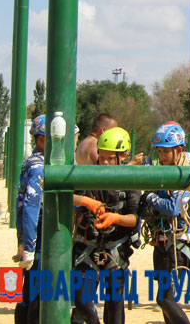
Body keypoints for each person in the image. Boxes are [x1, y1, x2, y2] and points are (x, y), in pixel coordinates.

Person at [71, 127, 141, 324]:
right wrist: (87, 202)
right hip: (87, 246)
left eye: (111, 158)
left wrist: (115, 218)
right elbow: (64, 195)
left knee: (114, 308)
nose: (106, 162)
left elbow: (135, 219)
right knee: (81, 301)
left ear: (124, 156)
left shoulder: (131, 181)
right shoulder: (89, 174)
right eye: (102, 157)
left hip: (115, 249)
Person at [138, 123, 190, 324]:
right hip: (162, 241)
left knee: (164, 299)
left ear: (179, 150)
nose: (162, 156)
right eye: (159, 152)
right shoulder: (158, 170)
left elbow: (174, 208)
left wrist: (150, 198)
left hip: (179, 244)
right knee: (167, 300)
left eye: (166, 152)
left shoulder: (189, 173)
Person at [14, 115, 45, 324]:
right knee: (36, 294)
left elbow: (21, 205)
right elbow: (31, 206)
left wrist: (22, 240)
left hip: (29, 234)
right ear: (42, 139)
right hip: (39, 236)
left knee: (26, 291)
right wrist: (31, 247)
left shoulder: (30, 162)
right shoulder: (39, 167)